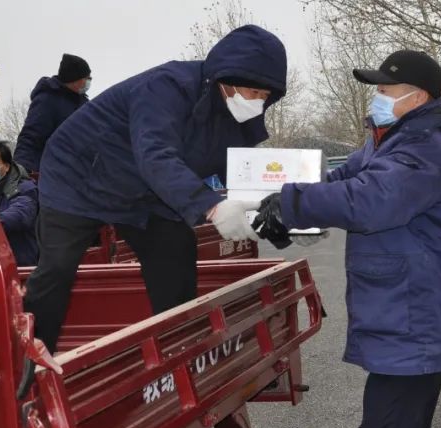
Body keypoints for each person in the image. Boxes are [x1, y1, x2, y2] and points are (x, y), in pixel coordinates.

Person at [252, 50, 441, 428]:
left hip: (416, 322)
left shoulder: (426, 148)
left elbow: (370, 199)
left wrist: (292, 204)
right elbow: (342, 178)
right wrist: (284, 205)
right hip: (403, 316)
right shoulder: (388, 140)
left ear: (417, 98)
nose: (376, 97)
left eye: (385, 90)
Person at [23, 25, 286, 353]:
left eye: (265, 97)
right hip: (77, 178)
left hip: (141, 190)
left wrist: (284, 211)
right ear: (228, 78)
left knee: (175, 246)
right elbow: (156, 155)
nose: (258, 104)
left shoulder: (230, 114)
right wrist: (212, 206)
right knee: (58, 266)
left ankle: (178, 343)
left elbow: (241, 169)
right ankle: (30, 357)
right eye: (254, 93)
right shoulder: (166, 88)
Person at [14, 53, 92, 173]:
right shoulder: (47, 100)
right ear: (76, 79)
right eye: (87, 78)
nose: (89, 81)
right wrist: (23, 169)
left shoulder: (84, 102)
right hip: (52, 172)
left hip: (78, 172)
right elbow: (31, 136)